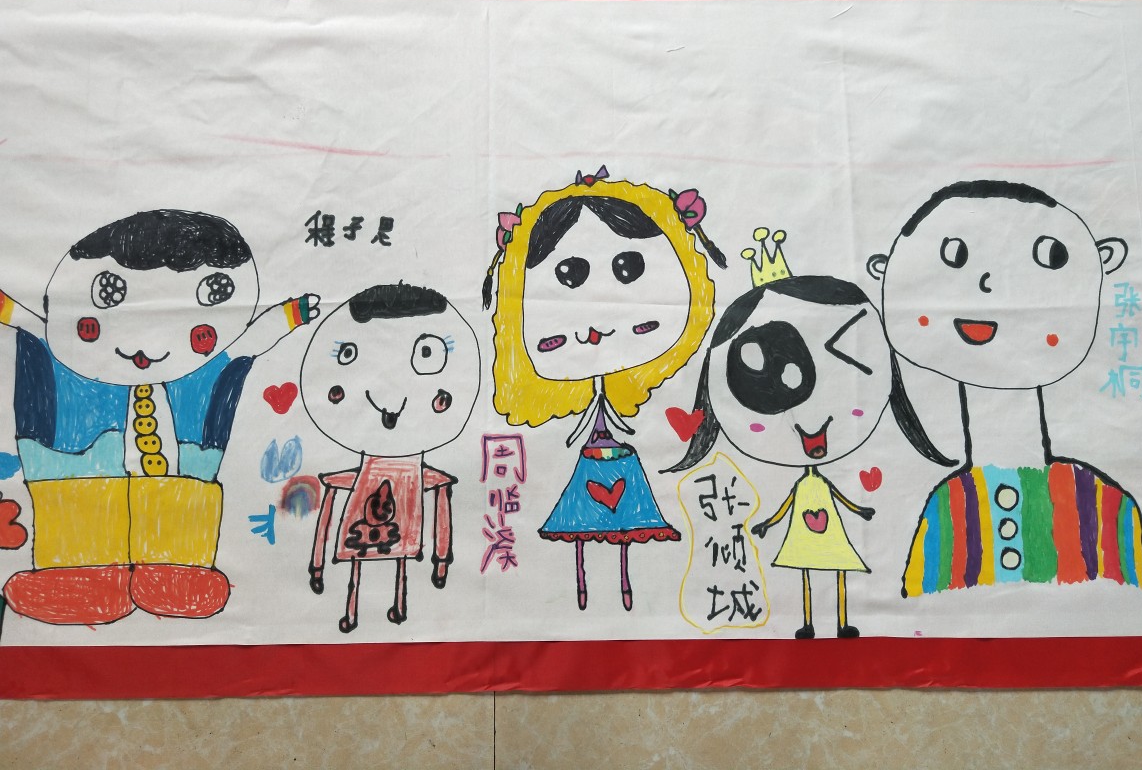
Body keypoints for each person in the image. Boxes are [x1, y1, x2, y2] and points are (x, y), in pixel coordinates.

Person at [1, 209, 318, 625]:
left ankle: (176, 571)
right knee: (79, 511)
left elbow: (247, 340)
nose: (145, 345)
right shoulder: (65, 356)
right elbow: (24, 320)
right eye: (109, 295)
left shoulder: (201, 374)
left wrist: (287, 317)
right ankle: (77, 574)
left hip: (180, 481)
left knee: (180, 512)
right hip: (78, 475)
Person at [867, 180, 1142, 596]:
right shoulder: (945, 513)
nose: (988, 283)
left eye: (1049, 256)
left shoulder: (1104, 509)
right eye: (954, 255)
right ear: (885, 271)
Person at [668, 227, 951, 637]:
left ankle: (838, 621)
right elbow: (791, 506)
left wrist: (858, 511)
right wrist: (770, 524)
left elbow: (829, 500)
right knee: (808, 570)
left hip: (824, 532)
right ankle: (811, 622)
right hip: (807, 534)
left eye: (848, 355)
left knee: (831, 569)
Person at [487, 167, 721, 610]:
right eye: (568, 274)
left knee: (624, 525)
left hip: (617, 460)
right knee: (583, 526)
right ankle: (585, 587)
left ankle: (618, 587)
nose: (598, 321)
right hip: (594, 461)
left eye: (629, 267)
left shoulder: (661, 388)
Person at [301, 283, 480, 631]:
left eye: (427, 353)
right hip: (377, 481)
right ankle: (350, 596)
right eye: (348, 353)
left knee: (386, 552)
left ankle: (381, 595)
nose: (390, 398)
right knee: (366, 549)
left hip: (402, 478)